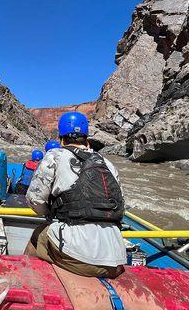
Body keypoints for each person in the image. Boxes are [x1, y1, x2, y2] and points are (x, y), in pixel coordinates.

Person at [25, 112, 126, 278]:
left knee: (38, 235)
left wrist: (50, 214)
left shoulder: (54, 155)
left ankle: (27, 279)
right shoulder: (107, 163)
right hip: (116, 256)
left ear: (61, 138)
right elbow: (121, 208)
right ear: (86, 139)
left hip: (79, 255)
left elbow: (34, 200)